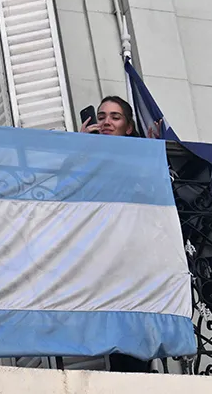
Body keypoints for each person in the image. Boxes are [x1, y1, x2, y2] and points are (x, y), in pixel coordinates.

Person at [80, 95, 152, 373]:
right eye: (101, 116)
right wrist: (80, 146)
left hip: (134, 251)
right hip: (103, 253)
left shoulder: (139, 159)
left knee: (136, 319)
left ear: (129, 127)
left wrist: (154, 148)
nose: (106, 122)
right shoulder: (87, 156)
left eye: (115, 116)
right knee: (112, 321)